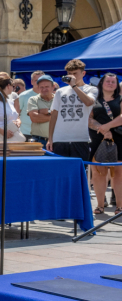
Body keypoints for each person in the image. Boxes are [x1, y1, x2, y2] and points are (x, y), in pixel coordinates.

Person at [48, 59, 97, 160]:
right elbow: (54, 115)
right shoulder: (60, 91)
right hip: (60, 139)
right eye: (69, 73)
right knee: (61, 171)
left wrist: (74, 85)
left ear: (83, 73)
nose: (72, 76)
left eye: (75, 73)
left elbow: (89, 102)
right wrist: (50, 138)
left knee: (79, 171)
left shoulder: (91, 89)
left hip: (81, 138)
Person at [88, 72, 122, 214]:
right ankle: (100, 205)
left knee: (118, 173)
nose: (110, 84)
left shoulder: (120, 99)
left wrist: (108, 127)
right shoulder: (93, 100)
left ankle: (120, 206)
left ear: (116, 85)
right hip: (97, 138)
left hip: (119, 138)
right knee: (98, 173)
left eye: (113, 82)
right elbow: (89, 119)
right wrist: (101, 130)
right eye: (107, 81)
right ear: (102, 83)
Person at [25, 75, 56, 147]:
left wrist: (45, 112)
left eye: (47, 87)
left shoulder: (58, 99)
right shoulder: (33, 99)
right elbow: (34, 118)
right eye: (41, 87)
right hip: (38, 141)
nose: (44, 89)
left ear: (53, 87)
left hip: (56, 140)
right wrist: (54, 115)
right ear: (38, 88)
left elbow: (62, 117)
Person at [17, 70, 44, 140]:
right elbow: (16, 114)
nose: (39, 83)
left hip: (43, 134)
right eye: (36, 80)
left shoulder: (50, 96)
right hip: (25, 133)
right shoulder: (23, 96)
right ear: (32, 82)